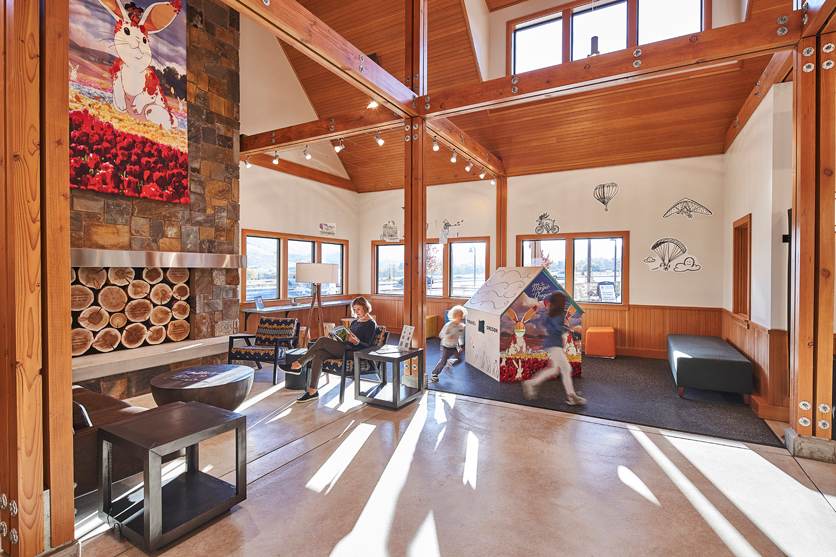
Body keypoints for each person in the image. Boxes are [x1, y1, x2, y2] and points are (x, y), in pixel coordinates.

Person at [290, 296, 377, 403]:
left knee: (322, 340)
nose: (356, 311)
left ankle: (300, 363)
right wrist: (335, 337)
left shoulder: (371, 324)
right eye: (354, 309)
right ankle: (312, 391)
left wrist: (357, 342)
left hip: (355, 353)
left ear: (365, 308)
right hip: (346, 348)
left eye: (358, 309)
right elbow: (347, 339)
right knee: (319, 354)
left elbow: (367, 345)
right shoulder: (355, 322)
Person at [522, 292, 587, 405]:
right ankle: (570, 395)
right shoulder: (559, 314)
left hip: (551, 343)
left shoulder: (551, 313)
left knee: (556, 369)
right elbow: (558, 327)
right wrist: (573, 328)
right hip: (554, 344)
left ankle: (570, 394)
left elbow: (547, 324)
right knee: (566, 369)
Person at [429, 306, 466, 383]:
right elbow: (441, 335)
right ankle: (434, 373)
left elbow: (460, 336)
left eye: (462, 316)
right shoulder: (448, 325)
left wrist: (461, 345)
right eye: (460, 316)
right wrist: (449, 337)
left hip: (454, 346)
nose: (461, 317)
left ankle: (449, 364)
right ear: (454, 316)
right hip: (446, 346)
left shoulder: (461, 326)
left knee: (459, 359)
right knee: (443, 361)